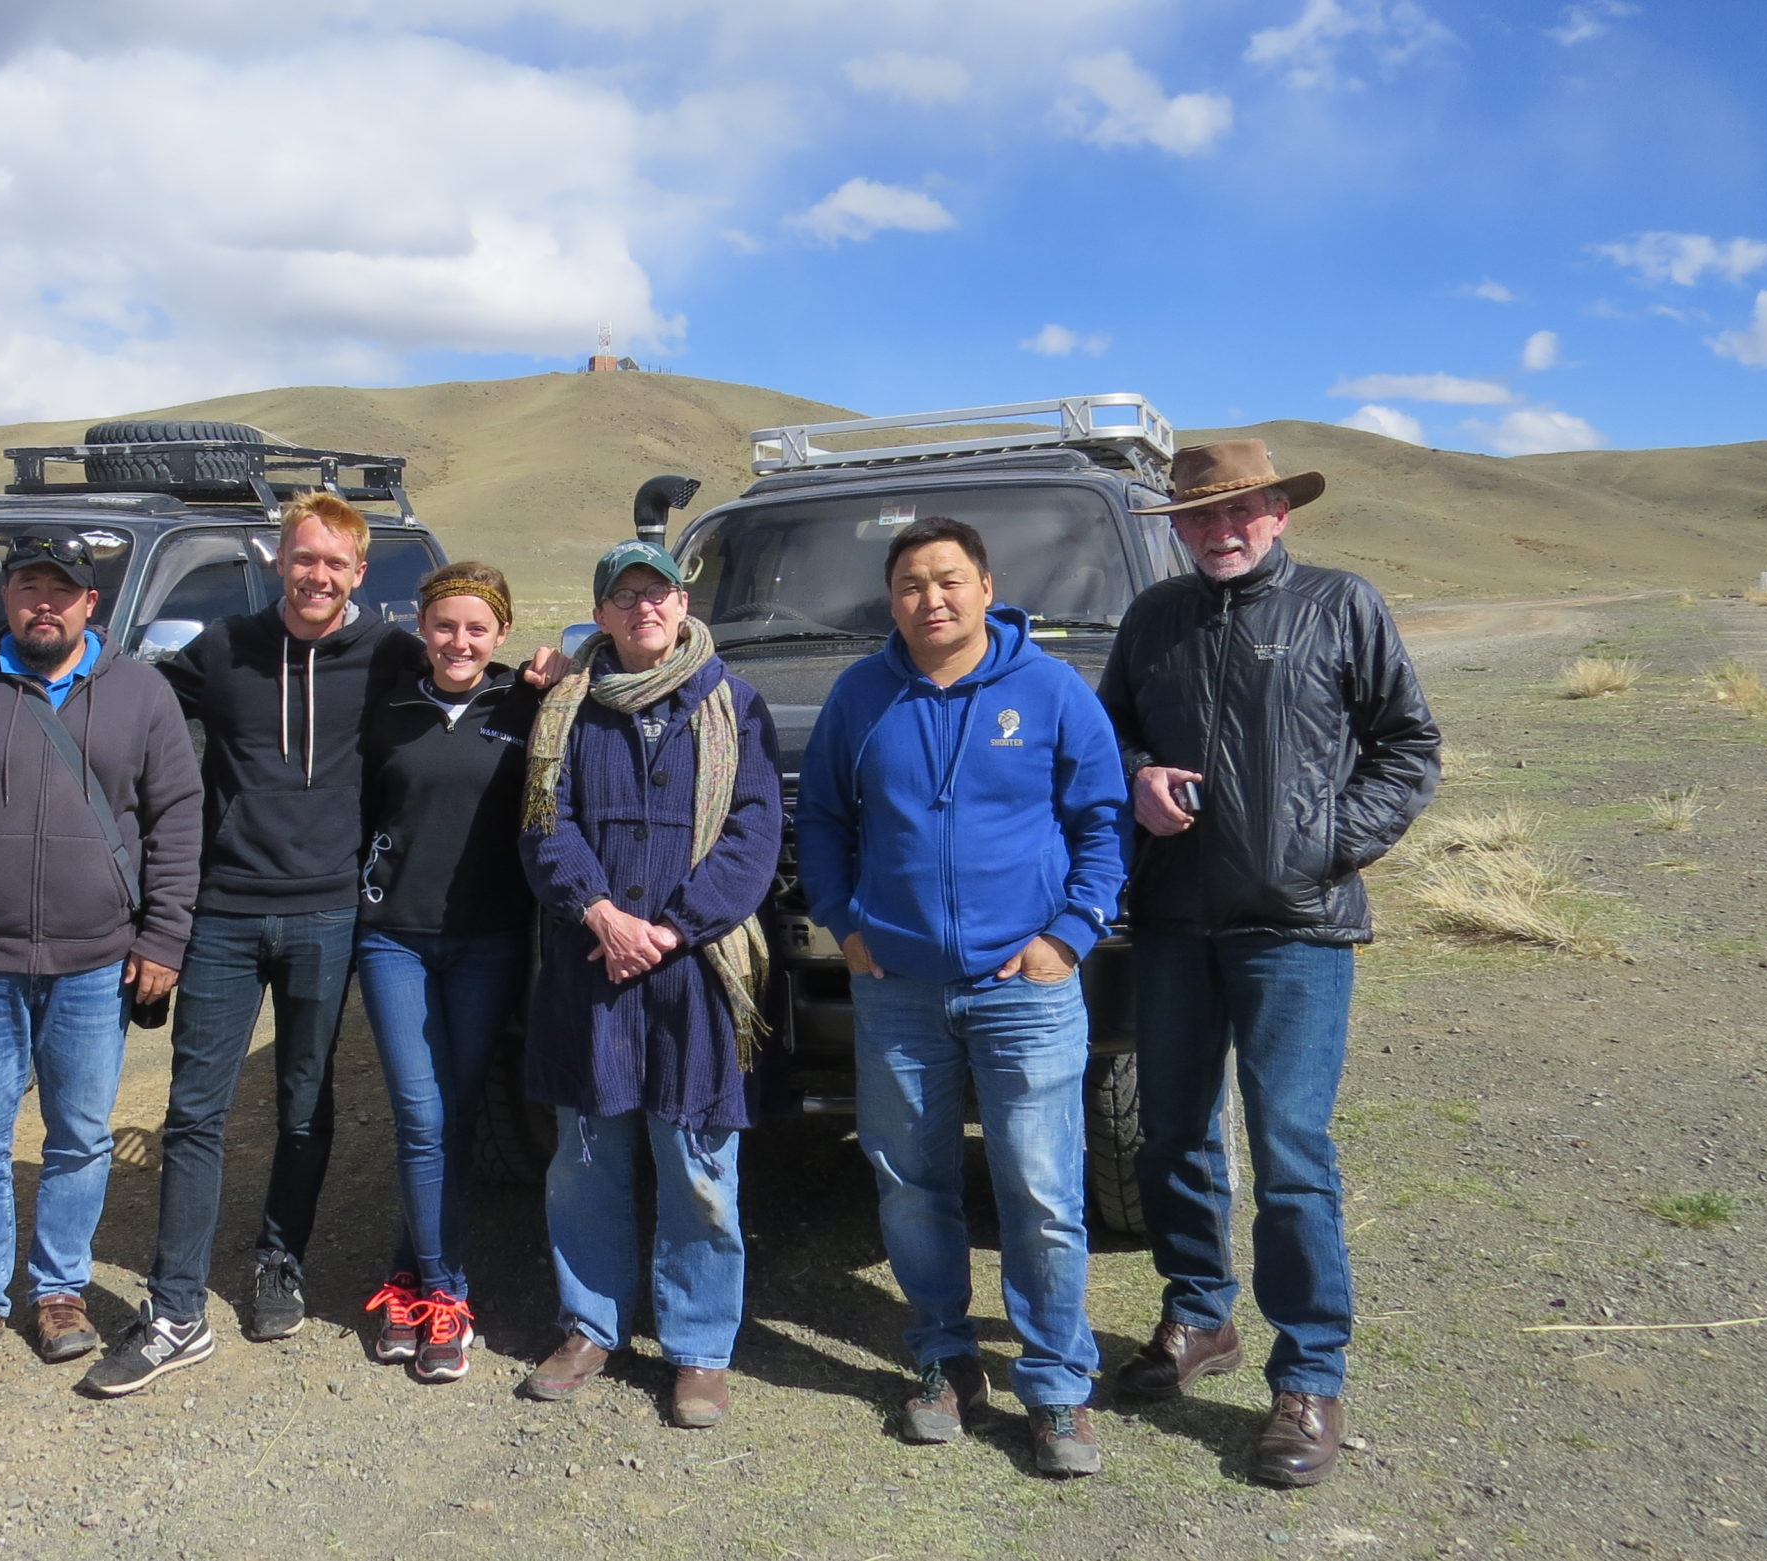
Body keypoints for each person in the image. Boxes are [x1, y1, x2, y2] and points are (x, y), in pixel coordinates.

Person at [1099, 441, 1439, 1488]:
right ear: (1178, 527)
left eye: (1239, 510)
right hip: (1172, 922)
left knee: (1291, 1153)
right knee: (1171, 1133)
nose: (1220, 530)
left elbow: (1408, 747)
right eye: (1199, 517)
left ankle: (1310, 1374)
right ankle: (1199, 1314)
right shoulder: (1152, 618)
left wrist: (1326, 843)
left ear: (1279, 512)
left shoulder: (1342, 606)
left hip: (1297, 926)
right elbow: (1105, 738)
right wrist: (1137, 774)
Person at [796, 517, 1127, 1476]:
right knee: (911, 1186)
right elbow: (822, 816)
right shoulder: (860, 696)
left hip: (1022, 987)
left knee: (1042, 1190)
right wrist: (843, 925)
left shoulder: (1052, 690)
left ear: (988, 584)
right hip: (896, 986)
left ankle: (1059, 1386)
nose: (929, 599)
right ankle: (944, 1357)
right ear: (889, 598)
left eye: (947, 580)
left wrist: (1067, 937)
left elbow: (1102, 822)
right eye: (908, 584)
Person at [81, 491, 426, 1396]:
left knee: (306, 1105)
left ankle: (280, 1259)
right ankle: (176, 1303)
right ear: (281, 558)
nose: (316, 575)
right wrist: (16, 671)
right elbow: (128, 693)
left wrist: (550, 670)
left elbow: (469, 680)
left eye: (335, 563)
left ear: (359, 572)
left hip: (327, 912)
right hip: (223, 912)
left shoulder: (392, 655)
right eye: (302, 557)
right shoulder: (224, 649)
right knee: (195, 1110)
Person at [0, 536, 203, 1378]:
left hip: (96, 959)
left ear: (91, 602)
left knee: (80, 1135)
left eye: (62, 590)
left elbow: (176, 819)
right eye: (29, 588)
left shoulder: (142, 694)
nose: (44, 604)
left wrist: (165, 936)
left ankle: (60, 1288)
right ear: (7, 598)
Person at [515, 540, 783, 1429]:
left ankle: (700, 1348)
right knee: (585, 1158)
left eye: (657, 592)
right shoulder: (566, 711)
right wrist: (601, 914)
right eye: (624, 595)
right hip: (592, 962)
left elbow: (753, 834)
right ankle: (590, 1324)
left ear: (683, 603)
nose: (643, 608)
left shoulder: (734, 705)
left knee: (699, 1163)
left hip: (696, 967)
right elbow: (545, 828)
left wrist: (670, 927)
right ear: (600, 614)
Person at [350, 562, 542, 1384]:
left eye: (476, 627)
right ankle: (446, 1295)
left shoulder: (526, 706)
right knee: (421, 1112)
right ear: (420, 627)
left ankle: (404, 1275)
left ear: (500, 634)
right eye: (443, 625)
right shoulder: (385, 706)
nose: (458, 641)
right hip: (393, 937)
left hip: (489, 938)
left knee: (456, 1114)